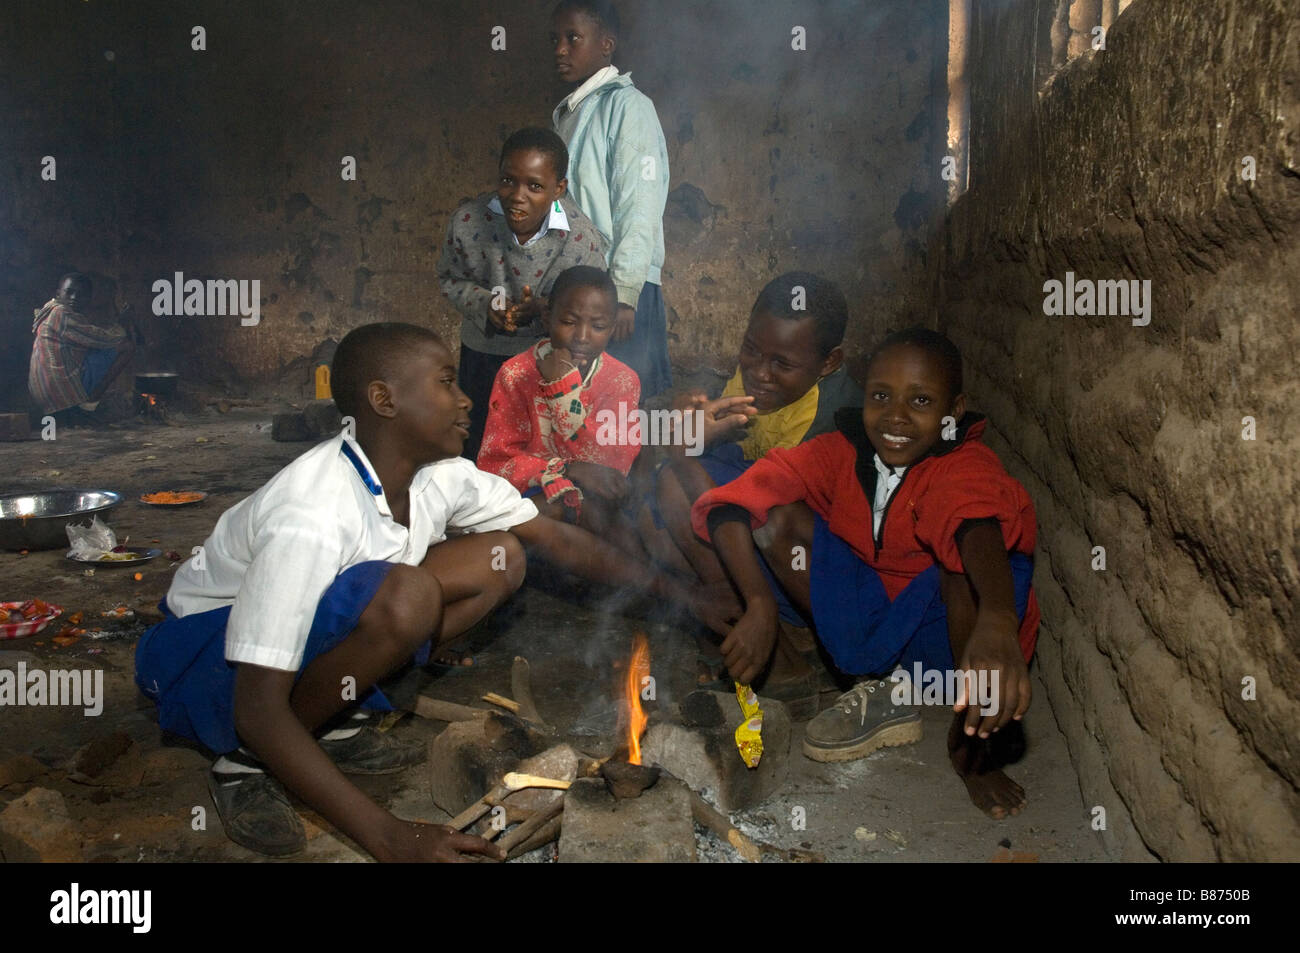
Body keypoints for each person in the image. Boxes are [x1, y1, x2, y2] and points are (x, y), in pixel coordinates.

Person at [135, 323, 720, 860]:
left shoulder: (440, 474)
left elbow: (555, 539)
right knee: (407, 594)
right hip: (204, 659)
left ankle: (330, 711)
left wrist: (683, 597)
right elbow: (256, 708)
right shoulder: (309, 513)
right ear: (384, 400)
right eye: (446, 383)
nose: (466, 399)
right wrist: (391, 838)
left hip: (300, 632)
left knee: (503, 558)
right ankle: (242, 765)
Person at [693, 328, 1041, 819]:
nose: (896, 416)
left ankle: (974, 752)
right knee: (776, 519)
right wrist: (759, 602)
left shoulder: (961, 462)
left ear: (953, 411)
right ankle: (879, 686)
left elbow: (975, 521)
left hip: (950, 640)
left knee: (963, 567)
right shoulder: (844, 451)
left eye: (920, 400)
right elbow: (735, 502)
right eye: (881, 396)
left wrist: (1000, 621)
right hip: (873, 619)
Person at [637, 272, 863, 703]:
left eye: (781, 363)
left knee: (684, 484)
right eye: (751, 350)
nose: (759, 373)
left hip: (809, 569)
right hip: (755, 530)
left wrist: (684, 451)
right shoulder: (753, 382)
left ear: (829, 363)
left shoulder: (838, 420)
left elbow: (760, 502)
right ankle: (738, 618)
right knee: (655, 512)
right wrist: (690, 428)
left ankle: (782, 638)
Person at [437, 127, 608, 460]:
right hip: (483, 357)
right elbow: (449, 278)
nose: (517, 196)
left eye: (535, 186)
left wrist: (545, 309)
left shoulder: (581, 240)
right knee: (480, 445)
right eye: (507, 181)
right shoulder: (468, 222)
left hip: (548, 364)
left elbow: (591, 304)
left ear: (559, 189)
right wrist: (486, 304)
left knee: (539, 448)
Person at [548, 0, 672, 399]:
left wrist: (626, 294)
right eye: (556, 39)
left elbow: (639, 206)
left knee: (627, 411)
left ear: (606, 45)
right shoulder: (571, 112)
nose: (560, 49)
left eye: (573, 38)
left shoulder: (629, 107)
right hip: (583, 289)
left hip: (620, 293)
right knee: (582, 412)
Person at [477, 266, 643, 556]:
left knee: (608, 518)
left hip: (598, 503)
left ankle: (641, 586)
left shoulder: (621, 380)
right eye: (568, 321)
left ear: (613, 327)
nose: (582, 336)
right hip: (534, 496)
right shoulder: (516, 374)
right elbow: (495, 463)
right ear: (546, 318)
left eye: (599, 326)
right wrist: (565, 469)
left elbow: (611, 465)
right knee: (536, 513)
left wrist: (562, 391)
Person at [29, 272, 135, 419]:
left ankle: (84, 404)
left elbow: (87, 338)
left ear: (89, 298)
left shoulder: (49, 310)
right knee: (126, 346)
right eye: (69, 292)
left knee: (93, 352)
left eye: (81, 295)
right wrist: (121, 324)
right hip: (59, 397)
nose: (74, 298)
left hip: (44, 395)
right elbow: (103, 339)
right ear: (58, 293)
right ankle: (88, 405)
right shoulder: (61, 313)